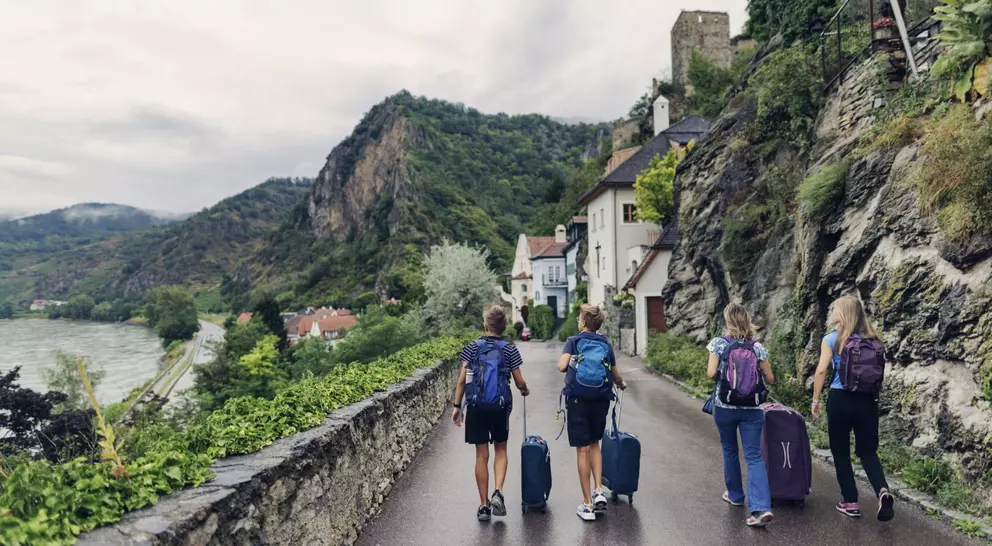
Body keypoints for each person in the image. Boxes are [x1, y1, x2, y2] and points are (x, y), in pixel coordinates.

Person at [811, 295, 895, 522]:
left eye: (835, 309)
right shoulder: (874, 339)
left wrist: (815, 400)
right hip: (867, 400)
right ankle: (882, 491)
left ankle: (851, 502)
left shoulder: (832, 339)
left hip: (840, 399)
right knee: (868, 451)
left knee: (840, 452)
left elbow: (821, 370)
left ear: (843, 313)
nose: (833, 313)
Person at [452, 305, 530, 522]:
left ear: (485, 325)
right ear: (503, 327)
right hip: (499, 406)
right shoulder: (509, 349)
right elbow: (519, 380)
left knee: (481, 455)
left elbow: (461, 381)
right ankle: (498, 491)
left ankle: (484, 506)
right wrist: (524, 389)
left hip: (476, 406)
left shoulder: (472, 348)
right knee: (501, 449)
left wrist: (457, 406)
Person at [706, 303, 775, 528]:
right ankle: (761, 508)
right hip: (753, 409)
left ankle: (735, 495)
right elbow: (771, 378)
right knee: (754, 456)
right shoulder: (757, 347)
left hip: (724, 406)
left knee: (729, 449)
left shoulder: (719, 343)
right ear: (747, 320)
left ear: (728, 321)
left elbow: (710, 374)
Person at [556, 304, 627, 522]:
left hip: (578, 399)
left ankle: (586, 505)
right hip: (600, 399)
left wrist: (572, 362)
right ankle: (598, 492)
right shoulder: (605, 342)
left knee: (582, 450)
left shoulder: (574, 341)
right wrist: (621, 384)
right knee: (595, 443)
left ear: (584, 322)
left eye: (580, 318)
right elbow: (615, 374)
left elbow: (561, 366)